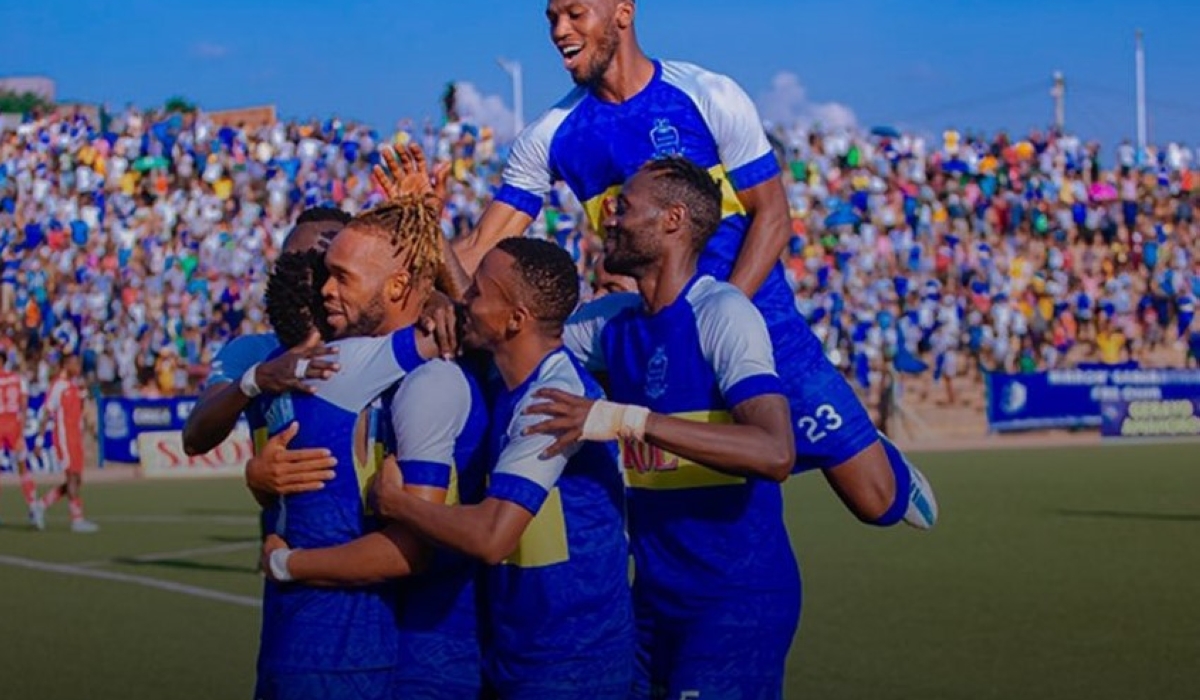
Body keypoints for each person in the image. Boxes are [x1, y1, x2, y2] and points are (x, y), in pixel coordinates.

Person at [440, 0, 931, 528]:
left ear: (622, 12)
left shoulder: (706, 94)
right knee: (677, 495)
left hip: (757, 318)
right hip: (652, 334)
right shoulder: (552, 134)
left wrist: (719, 315)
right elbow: (484, 242)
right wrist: (424, 241)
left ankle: (853, 445)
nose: (560, 31)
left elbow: (772, 215)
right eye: (552, 17)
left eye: (575, 14)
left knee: (876, 503)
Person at [526, 156, 798, 697]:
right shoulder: (613, 322)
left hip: (734, 601)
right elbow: (514, 330)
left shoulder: (723, 312)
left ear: (673, 220)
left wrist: (627, 420)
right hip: (649, 604)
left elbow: (774, 452)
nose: (608, 216)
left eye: (624, 206)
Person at [369, 237, 633, 699]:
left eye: (477, 293)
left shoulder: (553, 400)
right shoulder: (509, 371)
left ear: (516, 320)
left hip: (571, 661)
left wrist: (396, 503)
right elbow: (478, 299)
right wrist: (432, 237)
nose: (463, 300)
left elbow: (493, 537)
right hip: (516, 651)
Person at [257, 190, 492, 700]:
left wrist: (284, 563)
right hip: (378, 641)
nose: (324, 290)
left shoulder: (431, 379)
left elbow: (411, 553)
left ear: (397, 285)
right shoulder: (363, 365)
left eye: (342, 276)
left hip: (431, 650)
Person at [36, 353, 97, 533]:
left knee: (77, 479)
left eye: (78, 363)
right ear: (65, 365)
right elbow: (47, 413)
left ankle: (41, 505)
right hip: (64, 437)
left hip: (75, 436)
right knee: (72, 477)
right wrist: (39, 441)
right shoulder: (58, 386)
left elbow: (81, 410)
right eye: (74, 363)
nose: (77, 367)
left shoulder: (74, 385)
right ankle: (77, 519)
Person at [0, 350, 41, 528]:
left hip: (4, 424)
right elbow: (24, 407)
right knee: (23, 467)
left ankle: (33, 507)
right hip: (13, 426)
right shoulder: (18, 379)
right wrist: (21, 429)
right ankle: (33, 507)